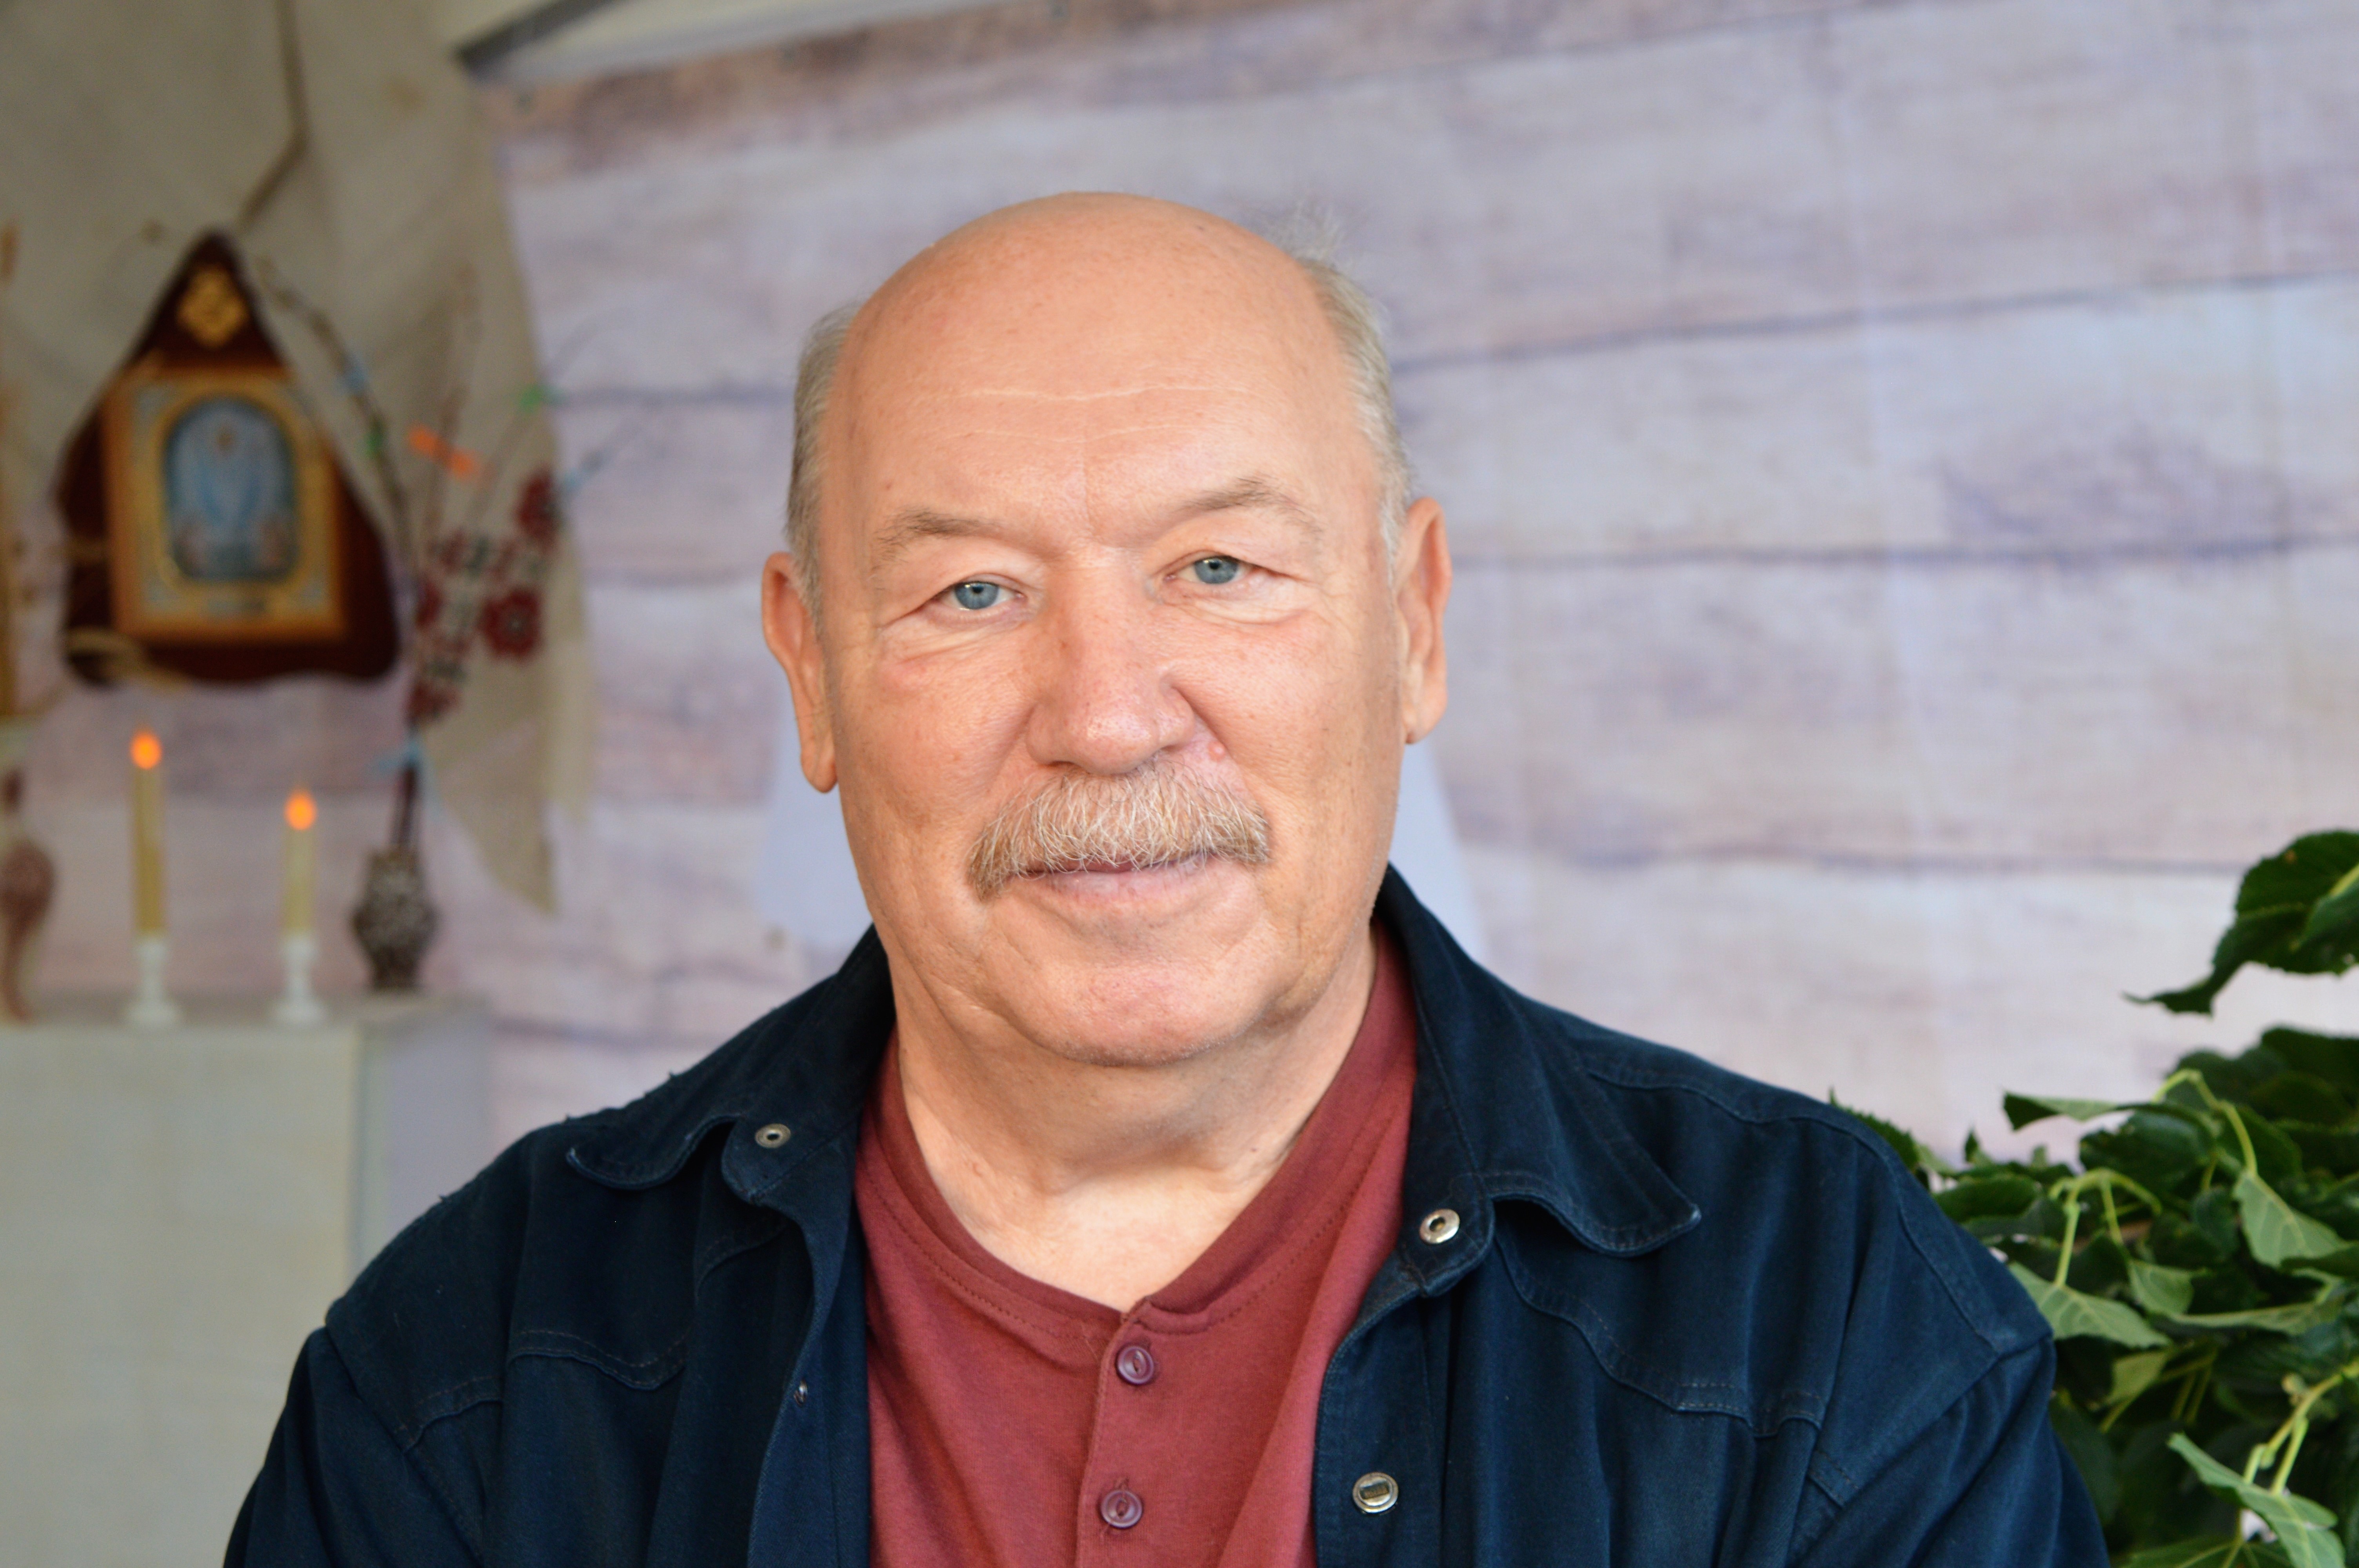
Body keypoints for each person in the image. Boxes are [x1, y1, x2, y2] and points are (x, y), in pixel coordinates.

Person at [228, 194, 2104, 1566]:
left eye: (1218, 569)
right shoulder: (473, 1372)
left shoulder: (1817, 1318)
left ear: (1413, 622)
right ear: (809, 670)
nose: (1107, 718)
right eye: (971, 591)